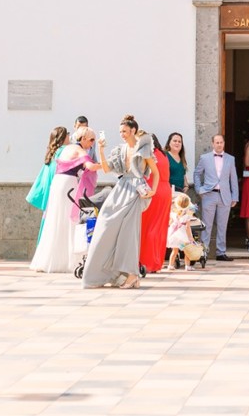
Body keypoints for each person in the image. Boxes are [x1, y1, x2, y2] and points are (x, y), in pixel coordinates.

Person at [82, 116, 158, 290]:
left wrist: (152, 190)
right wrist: (101, 150)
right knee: (104, 225)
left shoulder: (144, 149)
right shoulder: (120, 150)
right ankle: (104, 274)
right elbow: (107, 169)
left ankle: (132, 275)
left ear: (133, 130)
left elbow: (155, 172)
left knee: (129, 234)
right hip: (120, 189)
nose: (122, 134)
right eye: (120, 132)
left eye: (124, 131)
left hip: (135, 192)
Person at [30, 126, 102, 273]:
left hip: (58, 184)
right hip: (68, 184)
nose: (92, 143)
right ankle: (69, 261)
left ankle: (49, 259)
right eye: (91, 140)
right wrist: (107, 164)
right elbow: (91, 167)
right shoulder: (79, 150)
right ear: (83, 139)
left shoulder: (66, 149)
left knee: (56, 220)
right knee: (70, 220)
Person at [194, 134, 239, 263]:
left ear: (224, 143)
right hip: (209, 194)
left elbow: (233, 179)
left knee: (222, 225)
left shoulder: (230, 159)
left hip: (225, 196)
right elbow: (197, 174)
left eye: (221, 142)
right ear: (212, 143)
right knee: (206, 225)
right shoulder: (205, 158)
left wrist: (234, 196)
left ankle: (221, 252)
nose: (219, 145)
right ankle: (203, 252)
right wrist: (199, 189)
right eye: (217, 142)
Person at [26, 125, 69, 236]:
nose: (69, 136)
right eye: (67, 134)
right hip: (60, 195)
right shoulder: (65, 152)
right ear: (63, 137)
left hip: (50, 197)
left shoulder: (51, 154)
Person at [140, 133, 171, 273]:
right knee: (160, 228)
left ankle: (147, 261)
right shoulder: (163, 155)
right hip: (165, 190)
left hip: (152, 190)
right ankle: (157, 263)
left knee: (147, 227)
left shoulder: (148, 155)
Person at [167, 191, 204, 270]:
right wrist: (190, 237)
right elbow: (187, 227)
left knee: (174, 251)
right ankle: (187, 266)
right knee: (187, 251)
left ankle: (170, 265)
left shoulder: (173, 214)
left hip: (174, 235)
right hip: (183, 236)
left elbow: (170, 222)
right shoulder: (187, 216)